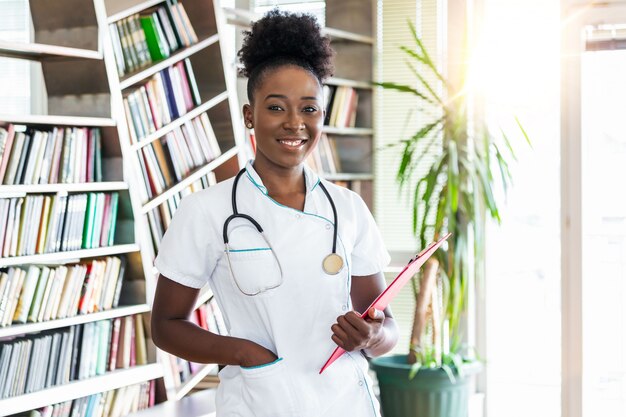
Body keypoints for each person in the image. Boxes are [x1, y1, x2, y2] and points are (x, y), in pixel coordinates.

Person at [151, 9, 398, 417]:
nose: (295, 124)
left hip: (344, 403)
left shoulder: (348, 208)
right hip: (259, 403)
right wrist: (244, 353)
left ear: (322, 115)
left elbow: (386, 325)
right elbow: (165, 325)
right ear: (250, 116)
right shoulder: (207, 211)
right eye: (276, 108)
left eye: (309, 109)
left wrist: (371, 336)